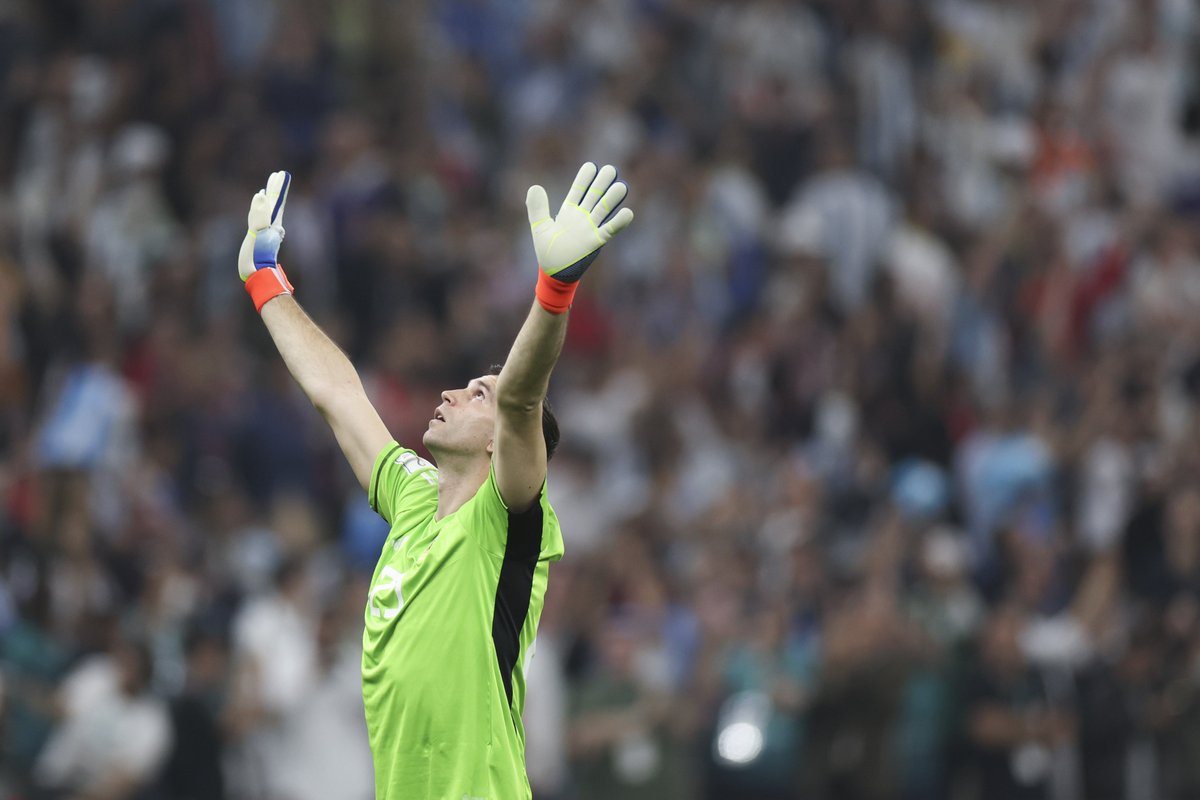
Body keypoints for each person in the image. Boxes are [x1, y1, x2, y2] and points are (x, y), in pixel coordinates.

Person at [235, 165, 634, 799]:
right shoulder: (413, 498)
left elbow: (524, 398)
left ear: (498, 439)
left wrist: (553, 291)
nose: (452, 392)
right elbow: (338, 395)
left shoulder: (506, 523)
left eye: (478, 393)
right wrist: (264, 280)